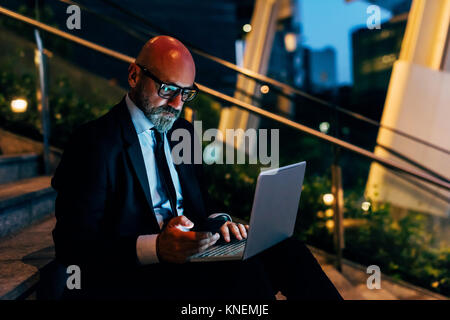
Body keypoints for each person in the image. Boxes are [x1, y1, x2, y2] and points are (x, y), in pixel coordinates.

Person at [51, 35, 342, 300]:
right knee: (246, 276)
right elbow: (72, 245)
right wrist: (156, 247)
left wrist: (221, 223)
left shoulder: (183, 133)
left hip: (193, 256)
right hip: (140, 272)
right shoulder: (93, 142)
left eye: (186, 93)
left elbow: (200, 205)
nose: (176, 104)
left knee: (289, 251)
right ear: (133, 75)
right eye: (167, 89)